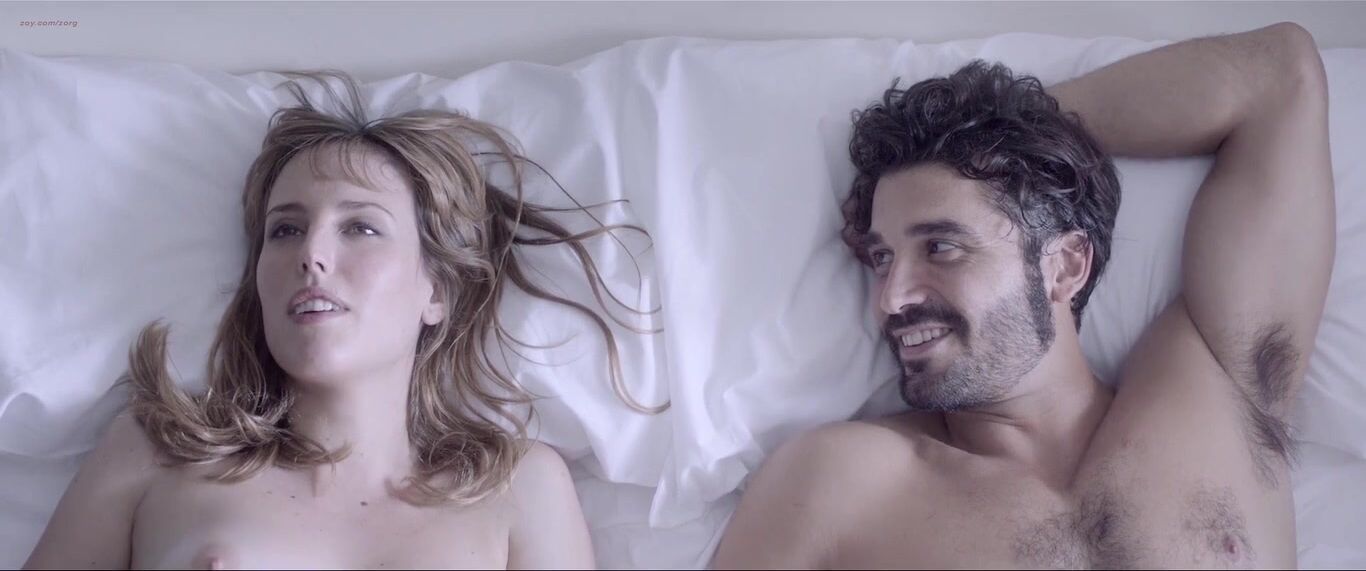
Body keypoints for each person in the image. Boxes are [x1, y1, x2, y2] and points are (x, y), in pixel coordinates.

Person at [714, 22, 1332, 568]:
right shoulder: (836, 486)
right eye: (881, 257)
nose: (891, 298)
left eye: (940, 246)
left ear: (1064, 266)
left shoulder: (1221, 383)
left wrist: (1006, 133)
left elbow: (1278, 76)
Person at [24, 72, 661, 570]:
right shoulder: (155, 450)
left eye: (361, 227)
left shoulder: (519, 489)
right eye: (285, 230)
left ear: (437, 290)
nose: (312, 254)